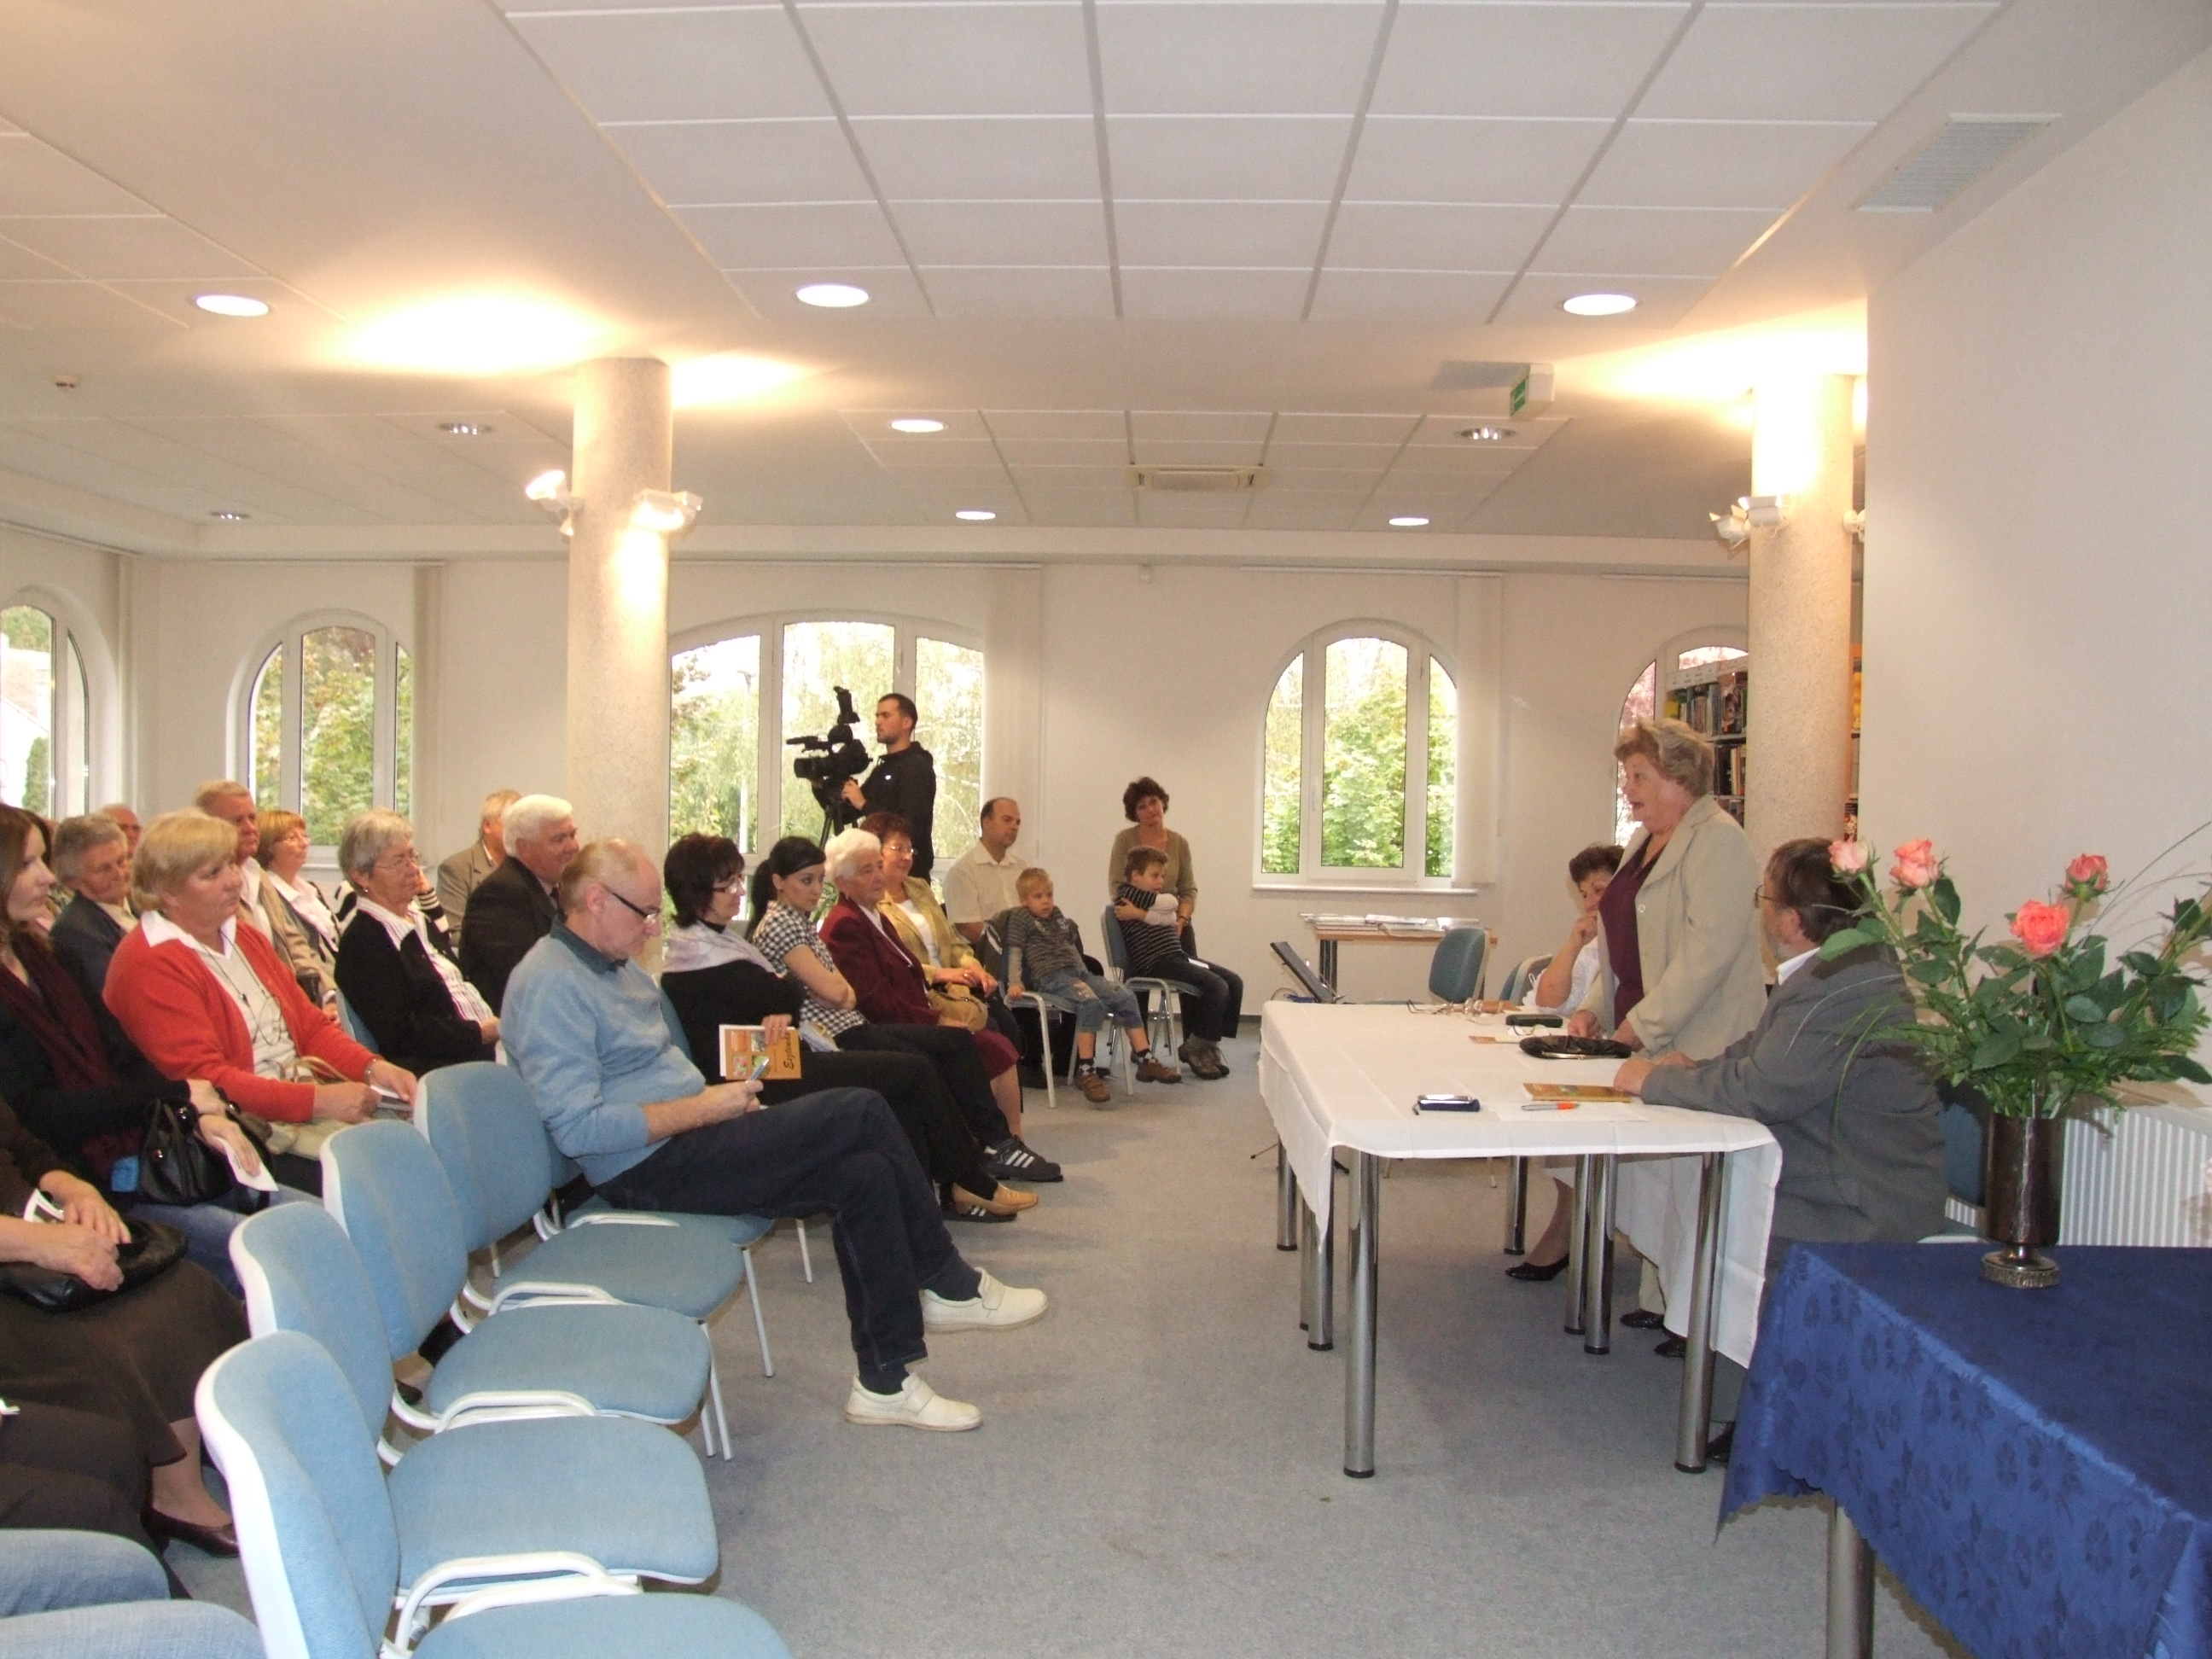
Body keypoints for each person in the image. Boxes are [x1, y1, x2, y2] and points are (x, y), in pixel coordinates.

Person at [502, 839, 1047, 1432]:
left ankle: (885, 1382)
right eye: (646, 914)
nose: (654, 928)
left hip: (694, 1134)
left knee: (863, 1175)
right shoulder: (550, 982)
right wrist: (702, 1108)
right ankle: (947, 1278)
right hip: (646, 1167)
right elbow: (579, 1130)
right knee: (862, 1110)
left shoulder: (615, 968)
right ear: (596, 901)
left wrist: (719, 1105)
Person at [1613, 837, 1949, 1454]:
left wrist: (1656, 1081)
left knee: (1725, 1213)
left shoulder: (1840, 986)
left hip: (1861, 1199)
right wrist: (1695, 1068)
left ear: (1792, 921)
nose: (1760, 912)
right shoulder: (1836, 971)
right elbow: (1762, 1056)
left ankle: (1773, 1423)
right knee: (1707, 1195)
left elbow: (1766, 1089)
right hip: (1837, 1169)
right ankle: (1742, 1392)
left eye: (1762, 899)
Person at [660, 834, 1030, 1221]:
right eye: (728, 885)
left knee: (910, 1075)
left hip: (782, 1053)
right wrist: (784, 1002)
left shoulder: (718, 944)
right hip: (763, 1072)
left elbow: (786, 998)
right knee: (913, 1071)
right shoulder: (697, 960)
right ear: (697, 891)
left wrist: (783, 1005)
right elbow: (784, 995)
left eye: (739, 880)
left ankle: (931, 1194)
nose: (739, 891)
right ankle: (967, 1181)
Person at [0, 806, 285, 1294]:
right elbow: (41, 1116)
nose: (48, 877)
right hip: (88, 1178)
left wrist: (193, 1113)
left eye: (43, 860)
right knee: (275, 1253)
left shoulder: (47, 955)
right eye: (28, 864)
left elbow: (124, 1058)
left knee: (302, 1221)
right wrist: (179, 1095)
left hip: (137, 1153)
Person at [103, 811, 416, 1195]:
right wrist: (318, 1101)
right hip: (235, 1127)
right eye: (212, 874)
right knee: (386, 1180)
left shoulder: (244, 937)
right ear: (167, 892)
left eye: (231, 865)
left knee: (416, 1149)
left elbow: (310, 1026)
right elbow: (206, 1082)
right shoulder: (148, 963)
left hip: (295, 1100)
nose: (234, 880)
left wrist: (373, 1068)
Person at [0, 1093, 249, 1556]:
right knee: (108, 1335)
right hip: (14, 1267)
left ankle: (181, 1480)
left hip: (36, 1235)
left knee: (184, 1288)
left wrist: (78, 1192)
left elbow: (24, 1147)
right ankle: (168, 1492)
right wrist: (36, 1243)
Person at [748, 835, 1057, 1185]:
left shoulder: (804, 921)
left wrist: (836, 993)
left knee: (964, 1041)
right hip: (836, 1036)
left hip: (851, 1022)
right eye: (807, 881)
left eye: (819, 879)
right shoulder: (789, 923)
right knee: (931, 1059)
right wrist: (837, 993)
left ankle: (994, 1147)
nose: (816, 889)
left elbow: (846, 995)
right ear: (778, 881)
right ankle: (975, 1162)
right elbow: (842, 992)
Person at [817, 829, 1033, 1147]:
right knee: (974, 1044)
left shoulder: (873, 915)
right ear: (843, 882)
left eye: (878, 866)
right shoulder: (845, 925)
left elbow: (913, 970)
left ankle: (1009, 1140)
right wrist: (938, 1020)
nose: (879, 877)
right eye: (867, 871)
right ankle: (989, 1144)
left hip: (916, 1011)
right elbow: (876, 1003)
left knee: (998, 1043)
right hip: (887, 1027)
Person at [334, 811, 498, 1078]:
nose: (413, 869)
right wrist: (480, 1033)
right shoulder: (364, 941)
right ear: (362, 876)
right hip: (442, 1069)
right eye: (399, 861)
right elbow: (401, 1035)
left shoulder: (418, 919)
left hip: (480, 1048)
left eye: (413, 856)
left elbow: (458, 985)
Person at [1004, 867, 1180, 1104]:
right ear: (1024, 900)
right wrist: (1015, 982)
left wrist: (1084, 975)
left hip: (1077, 973)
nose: (1046, 901)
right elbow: (1015, 952)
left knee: (1126, 996)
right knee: (1090, 1003)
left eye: (1049, 895)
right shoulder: (1020, 918)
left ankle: (1145, 1058)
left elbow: (1070, 948)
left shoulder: (1057, 914)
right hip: (1051, 977)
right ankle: (1086, 1070)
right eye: (1038, 897)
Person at [1105, 777, 1243, 1036]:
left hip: (1176, 924)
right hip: (1138, 927)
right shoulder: (1124, 840)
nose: (1150, 810)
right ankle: (1140, 1045)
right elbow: (1116, 886)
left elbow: (1188, 889)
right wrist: (1149, 912)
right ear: (1134, 813)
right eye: (1142, 806)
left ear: (1163, 802)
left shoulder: (1179, 842)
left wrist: (1181, 920)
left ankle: (1197, 1042)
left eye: (1153, 802)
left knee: (1199, 982)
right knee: (1139, 977)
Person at [862, 812, 1003, 1035]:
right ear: (873, 852)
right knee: (991, 1030)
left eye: (910, 850)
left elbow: (953, 943)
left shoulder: (920, 888)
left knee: (1005, 1021)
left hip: (955, 987)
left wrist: (974, 968)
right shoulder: (871, 902)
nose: (907, 857)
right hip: (919, 993)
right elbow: (894, 965)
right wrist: (941, 974)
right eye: (898, 848)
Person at [1113, 847, 1243, 1080]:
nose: (1160, 881)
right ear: (1135, 875)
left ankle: (1206, 1045)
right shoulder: (1127, 895)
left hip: (1176, 957)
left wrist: (1142, 915)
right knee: (1217, 986)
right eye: (1155, 875)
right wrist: (1160, 911)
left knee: (1233, 982)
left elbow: (1171, 916)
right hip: (1156, 962)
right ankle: (1194, 1049)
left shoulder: (1145, 902)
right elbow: (1172, 902)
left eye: (1162, 876)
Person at [457, 794, 576, 1012]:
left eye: (573, 835)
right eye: (559, 839)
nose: (573, 847)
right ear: (524, 848)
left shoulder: (553, 888)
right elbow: (529, 977)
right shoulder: (500, 894)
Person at [837, 694, 936, 878]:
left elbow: (911, 826)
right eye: (877, 716)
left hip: (907, 875)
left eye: (886, 715)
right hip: (879, 873)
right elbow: (845, 813)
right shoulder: (884, 769)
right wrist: (820, 785)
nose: (878, 722)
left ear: (907, 723)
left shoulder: (917, 767)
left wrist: (864, 804)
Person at [254, 809, 341, 1005]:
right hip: (316, 992)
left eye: (304, 835)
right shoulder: (271, 896)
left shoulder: (310, 890)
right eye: (292, 838)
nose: (304, 843)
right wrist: (330, 996)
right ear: (269, 847)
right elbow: (301, 955)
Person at [1527, 843, 1623, 1014]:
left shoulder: (1643, 945)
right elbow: (1546, 1004)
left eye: (1599, 890)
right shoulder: (1592, 947)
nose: (1589, 903)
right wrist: (1573, 946)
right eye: (1584, 894)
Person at [49, 814, 133, 995]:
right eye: (104, 869)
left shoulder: (146, 907)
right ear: (72, 881)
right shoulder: (75, 931)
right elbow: (120, 996)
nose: (119, 874)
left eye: (121, 861)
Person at [436, 788, 520, 946]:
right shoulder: (456, 868)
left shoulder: (527, 866)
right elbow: (452, 933)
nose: (519, 833)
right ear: (487, 825)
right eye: (512, 825)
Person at [942, 796, 1028, 947]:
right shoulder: (962, 870)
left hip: (1024, 950)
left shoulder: (1021, 868)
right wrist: (1010, 946)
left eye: (1017, 822)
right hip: (982, 952)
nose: (1014, 827)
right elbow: (968, 928)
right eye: (1007, 820)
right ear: (987, 823)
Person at [190, 781, 268, 936]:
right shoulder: (204, 885)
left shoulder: (256, 872)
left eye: (252, 818)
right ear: (208, 825)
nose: (250, 828)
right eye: (237, 821)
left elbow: (287, 938)